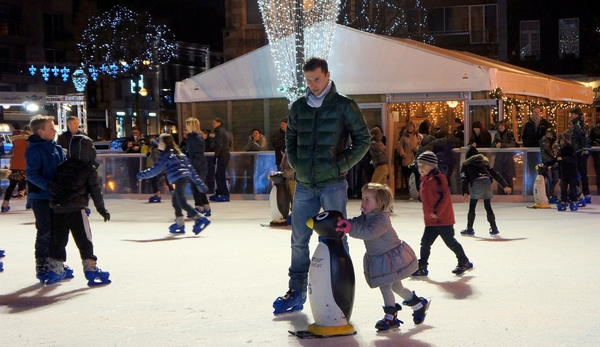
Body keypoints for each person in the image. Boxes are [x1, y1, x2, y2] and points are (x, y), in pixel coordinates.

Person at [272, 57, 370, 315]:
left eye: (317, 79)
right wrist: (296, 163)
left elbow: (363, 139)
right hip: (304, 184)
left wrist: (340, 165)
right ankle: (297, 291)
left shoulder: (344, 105)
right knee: (299, 240)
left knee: (338, 238)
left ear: (327, 76)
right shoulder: (299, 107)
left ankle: (342, 289)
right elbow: (290, 138)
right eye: (308, 80)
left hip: (333, 184)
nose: (313, 85)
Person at [335, 183, 429, 330]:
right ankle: (418, 304)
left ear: (379, 203)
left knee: (386, 286)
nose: (363, 203)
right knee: (397, 287)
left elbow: (368, 233)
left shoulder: (382, 220)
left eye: (367, 200)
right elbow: (357, 222)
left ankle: (390, 317)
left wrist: (350, 229)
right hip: (380, 257)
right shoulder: (367, 216)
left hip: (390, 259)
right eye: (363, 199)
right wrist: (346, 223)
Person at [46, 135, 111, 285]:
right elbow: (95, 191)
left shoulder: (61, 166)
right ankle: (90, 268)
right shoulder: (88, 169)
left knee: (58, 240)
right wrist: (101, 209)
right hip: (76, 210)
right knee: (84, 240)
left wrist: (56, 202)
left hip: (58, 210)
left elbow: (53, 186)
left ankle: (55, 270)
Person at [411, 151, 473, 276]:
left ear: (432, 166)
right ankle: (422, 266)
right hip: (431, 221)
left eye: (424, 165)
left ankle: (464, 261)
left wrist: (436, 212)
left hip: (443, 219)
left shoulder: (438, 179)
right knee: (425, 243)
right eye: (419, 165)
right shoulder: (424, 180)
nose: (421, 168)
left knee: (450, 242)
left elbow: (444, 198)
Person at [137, 134, 210, 234]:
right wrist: (200, 184)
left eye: (160, 141)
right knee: (176, 201)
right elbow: (191, 170)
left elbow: (156, 169)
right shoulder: (179, 153)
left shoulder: (165, 154)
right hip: (184, 178)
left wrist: (141, 175)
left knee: (181, 202)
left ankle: (199, 218)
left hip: (179, 179)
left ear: (163, 143)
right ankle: (180, 223)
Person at [25, 115, 67, 283]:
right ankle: (41, 262)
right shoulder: (35, 149)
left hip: (57, 196)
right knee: (45, 231)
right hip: (41, 197)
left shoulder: (56, 148)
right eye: (51, 127)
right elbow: (32, 174)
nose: (55, 130)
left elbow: (64, 170)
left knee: (58, 231)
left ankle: (54, 261)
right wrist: (48, 185)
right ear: (40, 131)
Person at [459, 146, 512, 236]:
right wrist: (505, 185)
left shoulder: (466, 164)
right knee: (488, 206)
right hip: (487, 181)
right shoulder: (484, 162)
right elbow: (495, 173)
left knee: (472, 206)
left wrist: (465, 192)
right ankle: (494, 228)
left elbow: (464, 179)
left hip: (477, 181)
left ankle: (469, 229)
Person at [545, 133, 579, 211]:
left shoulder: (572, 148)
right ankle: (563, 201)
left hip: (572, 171)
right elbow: (556, 159)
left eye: (563, 140)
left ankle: (574, 201)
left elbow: (573, 160)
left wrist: (563, 159)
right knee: (563, 188)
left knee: (572, 188)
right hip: (564, 172)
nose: (561, 142)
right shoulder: (561, 150)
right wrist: (547, 164)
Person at [2, 125, 30, 212]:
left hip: (14, 164)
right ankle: (29, 203)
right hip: (24, 165)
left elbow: (14, 150)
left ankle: (5, 204)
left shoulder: (15, 139)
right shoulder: (29, 140)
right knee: (30, 185)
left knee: (12, 185)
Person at [185, 118, 210, 216]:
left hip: (198, 166)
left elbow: (199, 154)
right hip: (195, 164)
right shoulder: (192, 138)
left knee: (195, 186)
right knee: (198, 186)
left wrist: (192, 167)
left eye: (187, 125)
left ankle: (199, 206)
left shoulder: (197, 138)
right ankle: (206, 206)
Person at [568, 107, 592, 204]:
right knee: (581, 173)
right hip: (578, 151)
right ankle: (583, 194)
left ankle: (580, 194)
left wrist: (584, 149)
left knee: (579, 173)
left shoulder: (578, 124)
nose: (571, 116)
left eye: (572, 114)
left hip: (580, 152)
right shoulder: (579, 123)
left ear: (576, 114)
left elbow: (583, 136)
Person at [491, 120, 517, 194]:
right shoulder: (497, 134)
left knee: (508, 177)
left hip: (507, 159)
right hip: (499, 159)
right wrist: (495, 145)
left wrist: (502, 145)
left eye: (501, 125)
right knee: (499, 176)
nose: (500, 127)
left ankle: (510, 194)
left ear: (505, 126)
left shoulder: (509, 134)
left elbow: (513, 144)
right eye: (499, 125)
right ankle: (500, 194)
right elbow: (492, 145)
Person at [145, 136, 173, 203]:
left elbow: (158, 159)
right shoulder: (160, 150)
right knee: (168, 182)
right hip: (165, 168)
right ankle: (175, 195)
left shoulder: (155, 151)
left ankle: (158, 195)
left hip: (160, 169)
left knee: (154, 181)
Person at [396, 121, 419, 191]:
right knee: (407, 173)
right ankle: (408, 189)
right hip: (407, 157)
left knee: (414, 173)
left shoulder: (416, 135)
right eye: (408, 126)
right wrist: (403, 154)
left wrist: (417, 149)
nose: (410, 128)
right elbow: (400, 146)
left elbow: (420, 144)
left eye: (411, 126)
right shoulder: (403, 136)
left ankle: (415, 189)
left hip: (414, 156)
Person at [540, 129, 559, 202]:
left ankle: (551, 193)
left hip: (553, 162)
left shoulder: (553, 141)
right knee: (550, 179)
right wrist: (555, 157)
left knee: (556, 178)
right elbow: (548, 151)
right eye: (548, 134)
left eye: (551, 134)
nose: (549, 136)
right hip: (547, 163)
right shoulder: (543, 141)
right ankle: (549, 195)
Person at [202, 128, 216, 194]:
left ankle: (211, 191)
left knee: (210, 176)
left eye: (202, 134)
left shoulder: (211, 140)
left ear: (206, 134)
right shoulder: (200, 141)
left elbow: (212, 148)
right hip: (203, 161)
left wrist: (204, 152)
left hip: (210, 161)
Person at [590, 120, 600, 195]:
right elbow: (591, 140)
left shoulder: (594, 129)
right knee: (598, 172)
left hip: (597, 151)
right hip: (597, 152)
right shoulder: (594, 129)